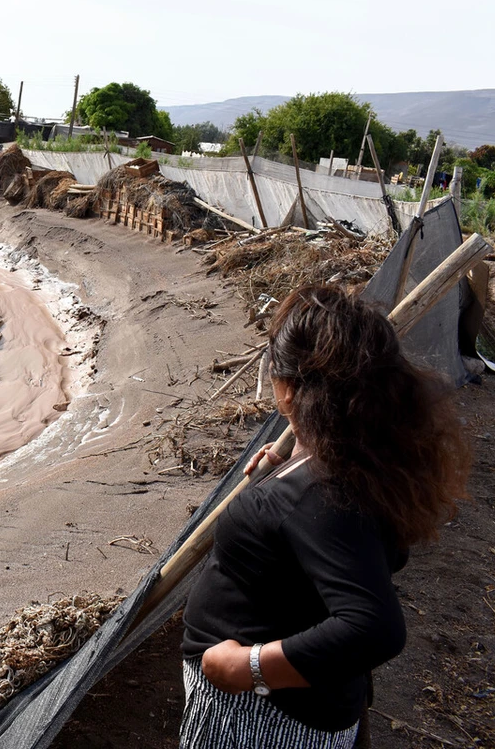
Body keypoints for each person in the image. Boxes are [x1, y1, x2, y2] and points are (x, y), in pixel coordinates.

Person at [179, 286, 470, 748]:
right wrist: (284, 460)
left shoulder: (319, 492)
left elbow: (375, 627)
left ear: (291, 386)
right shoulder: (360, 449)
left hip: (266, 720)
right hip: (298, 702)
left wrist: (247, 669)